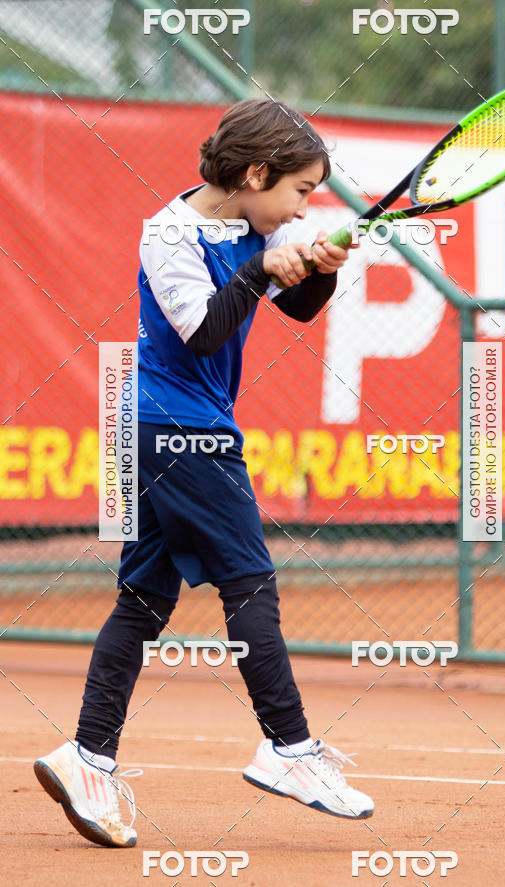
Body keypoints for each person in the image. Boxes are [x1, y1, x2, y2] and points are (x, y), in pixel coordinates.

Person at [33, 98, 374, 848]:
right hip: (178, 428)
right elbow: (203, 331)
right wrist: (260, 267)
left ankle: (88, 758)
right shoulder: (170, 234)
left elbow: (299, 308)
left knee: (144, 597)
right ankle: (289, 749)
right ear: (256, 173)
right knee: (248, 582)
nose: (303, 207)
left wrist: (319, 270)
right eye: (300, 190)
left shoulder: (258, 224)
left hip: (166, 426)